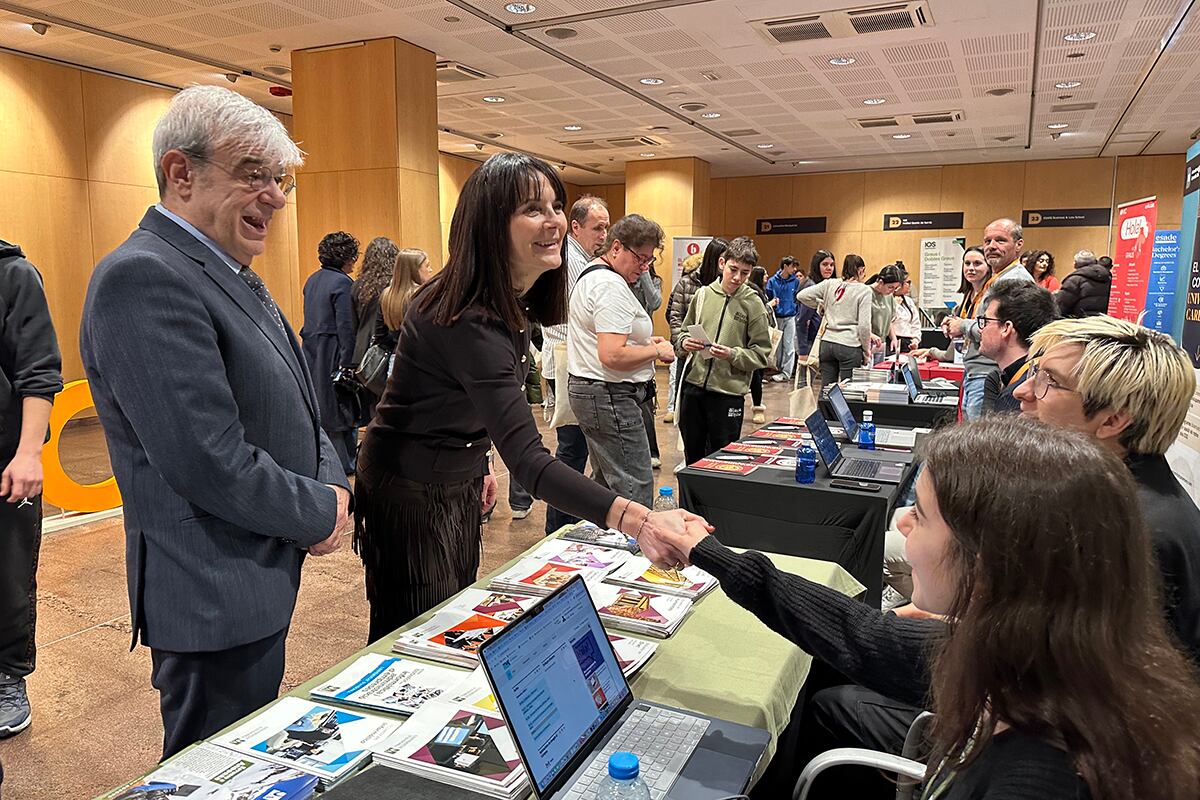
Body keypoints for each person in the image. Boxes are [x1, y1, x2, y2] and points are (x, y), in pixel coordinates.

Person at [645, 416, 1200, 800]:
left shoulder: (1041, 775)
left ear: (987, 564)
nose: (903, 521)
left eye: (924, 514)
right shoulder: (1045, 653)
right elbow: (855, 631)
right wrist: (710, 553)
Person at [79, 85, 351, 759]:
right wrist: (321, 510)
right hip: (209, 594)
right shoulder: (143, 276)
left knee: (244, 760)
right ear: (181, 173)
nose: (278, 197)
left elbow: (299, 398)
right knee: (212, 769)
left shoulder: (230, 270)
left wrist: (333, 484)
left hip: (254, 574)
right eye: (253, 176)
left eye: (279, 180)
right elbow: (208, 459)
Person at [355, 154, 704, 643]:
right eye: (532, 208)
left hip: (451, 472)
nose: (554, 221)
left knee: (450, 611)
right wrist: (637, 520)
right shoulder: (466, 315)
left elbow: (463, 404)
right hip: (408, 485)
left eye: (556, 206)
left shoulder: (506, 299)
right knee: (415, 629)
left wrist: (475, 465)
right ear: (491, 222)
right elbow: (529, 461)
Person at [1014, 316, 1200, 662]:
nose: (1022, 392)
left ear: (1113, 420)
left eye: (1049, 382)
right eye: (1035, 373)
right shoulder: (1114, 496)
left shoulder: (1126, 533)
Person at [567, 213, 675, 507]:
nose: (644, 267)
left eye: (649, 261)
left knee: (606, 484)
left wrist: (642, 343)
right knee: (633, 487)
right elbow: (612, 354)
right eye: (640, 258)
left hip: (599, 394)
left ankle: (596, 547)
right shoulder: (608, 286)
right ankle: (632, 550)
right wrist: (656, 351)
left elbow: (605, 339)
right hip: (609, 395)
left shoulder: (597, 275)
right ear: (616, 248)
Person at [0, 240, 62, 740]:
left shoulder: (14, 273)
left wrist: (28, 453)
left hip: (4, 459)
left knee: (8, 573)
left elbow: (38, 372)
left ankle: (7, 677)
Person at [539, 196, 609, 534]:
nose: (604, 235)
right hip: (568, 362)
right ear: (576, 226)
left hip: (576, 361)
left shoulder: (583, 260)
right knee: (571, 450)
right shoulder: (568, 261)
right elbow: (574, 317)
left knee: (576, 449)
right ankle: (557, 530)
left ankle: (565, 525)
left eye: (607, 228)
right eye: (598, 228)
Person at [675, 236, 772, 464]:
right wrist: (684, 343)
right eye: (733, 269)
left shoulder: (753, 303)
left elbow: (761, 353)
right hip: (694, 389)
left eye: (745, 273)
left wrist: (732, 354)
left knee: (721, 462)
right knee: (692, 460)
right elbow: (682, 332)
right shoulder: (703, 295)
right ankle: (688, 501)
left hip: (728, 395)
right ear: (722, 263)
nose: (738, 277)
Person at [940, 219, 1035, 419]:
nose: (992, 246)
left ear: (1018, 245)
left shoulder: (1014, 280)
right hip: (976, 369)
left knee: (978, 441)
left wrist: (962, 325)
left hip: (988, 371)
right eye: (988, 241)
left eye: (1000, 240)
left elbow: (999, 329)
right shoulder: (997, 279)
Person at [301, 231, 360, 475]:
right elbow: (346, 327)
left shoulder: (312, 280)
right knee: (340, 410)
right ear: (346, 257)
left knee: (321, 407)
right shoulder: (343, 284)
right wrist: (349, 364)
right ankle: (345, 465)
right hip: (333, 352)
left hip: (312, 351)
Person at [976, 281, 1058, 414]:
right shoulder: (1042, 375)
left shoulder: (1018, 397)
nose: (980, 330)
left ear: (1006, 328)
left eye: (985, 321)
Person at [666, 239, 725, 420]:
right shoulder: (686, 283)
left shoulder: (728, 287)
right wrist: (682, 344)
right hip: (690, 355)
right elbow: (674, 317)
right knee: (688, 413)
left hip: (718, 358)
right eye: (722, 259)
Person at [797, 254, 877, 385]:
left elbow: (801, 296)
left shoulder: (830, 283)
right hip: (849, 345)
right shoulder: (864, 290)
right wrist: (866, 350)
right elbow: (864, 326)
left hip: (827, 343)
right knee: (847, 390)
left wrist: (821, 305)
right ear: (861, 270)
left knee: (827, 389)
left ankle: (823, 406)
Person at [351, 236, 400, 423]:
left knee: (371, 408)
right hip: (383, 350)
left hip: (362, 354)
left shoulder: (357, 286)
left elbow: (352, 323)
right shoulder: (392, 288)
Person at [374, 247, 431, 371]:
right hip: (422, 362)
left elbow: (380, 335)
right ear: (415, 270)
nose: (430, 270)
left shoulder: (386, 295)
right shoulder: (422, 295)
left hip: (395, 362)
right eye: (427, 266)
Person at [630, 262, 663, 469]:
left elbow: (655, 302)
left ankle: (652, 451)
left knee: (646, 403)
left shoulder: (654, 279)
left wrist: (644, 274)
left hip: (644, 345)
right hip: (622, 342)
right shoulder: (621, 278)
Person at [796, 250, 836, 376]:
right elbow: (801, 321)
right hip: (809, 344)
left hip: (824, 342)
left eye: (831, 265)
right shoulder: (811, 286)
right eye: (825, 264)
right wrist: (803, 352)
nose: (829, 268)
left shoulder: (830, 285)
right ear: (816, 265)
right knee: (804, 386)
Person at [765, 255, 801, 382]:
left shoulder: (795, 281)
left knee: (789, 345)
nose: (795, 269)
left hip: (790, 316)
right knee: (777, 345)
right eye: (793, 266)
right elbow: (768, 296)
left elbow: (797, 297)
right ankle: (777, 369)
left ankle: (786, 372)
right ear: (785, 266)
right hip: (777, 316)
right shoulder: (772, 281)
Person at [746, 264, 773, 423]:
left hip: (755, 341)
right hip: (741, 342)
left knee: (756, 376)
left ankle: (757, 407)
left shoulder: (757, 293)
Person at [1055, 249, 1111, 317]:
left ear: (1075, 264)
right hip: (1103, 321)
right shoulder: (1108, 278)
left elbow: (1061, 306)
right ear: (1095, 262)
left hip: (1079, 322)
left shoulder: (1074, 280)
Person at [864, 264, 904, 358]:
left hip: (881, 343)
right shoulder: (866, 292)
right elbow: (858, 322)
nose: (892, 291)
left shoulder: (889, 296)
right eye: (890, 287)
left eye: (895, 288)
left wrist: (893, 338)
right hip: (866, 343)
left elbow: (888, 320)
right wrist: (871, 335)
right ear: (881, 282)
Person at [891, 274, 920, 354]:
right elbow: (888, 321)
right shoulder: (888, 299)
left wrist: (915, 339)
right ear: (899, 285)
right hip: (893, 340)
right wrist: (895, 306)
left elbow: (915, 323)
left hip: (907, 342)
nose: (909, 285)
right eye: (908, 282)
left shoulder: (909, 301)